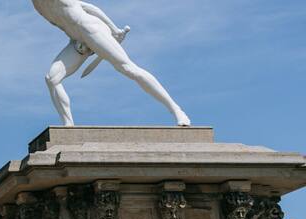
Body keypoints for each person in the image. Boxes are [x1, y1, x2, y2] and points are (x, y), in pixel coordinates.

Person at [32, 0, 190, 127]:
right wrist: (79, 41)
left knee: (128, 69)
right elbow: (64, 24)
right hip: (78, 42)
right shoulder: (38, 6)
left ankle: (176, 110)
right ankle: (69, 126)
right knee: (51, 79)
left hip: (92, 30)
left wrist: (113, 29)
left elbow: (86, 7)